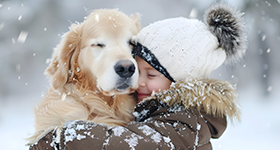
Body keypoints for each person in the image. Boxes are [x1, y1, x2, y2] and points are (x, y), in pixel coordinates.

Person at [29, 3, 247, 150]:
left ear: (179, 81)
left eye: (129, 44)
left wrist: (65, 135)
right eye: (99, 44)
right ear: (73, 57)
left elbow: (132, 143)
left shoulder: (186, 118)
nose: (127, 67)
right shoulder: (148, 106)